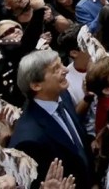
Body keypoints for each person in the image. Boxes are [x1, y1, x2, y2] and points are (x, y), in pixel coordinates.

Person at [9, 50, 95, 188]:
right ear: (36, 85)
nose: (65, 70)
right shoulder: (27, 140)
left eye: (61, 65)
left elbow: (78, 140)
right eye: (56, 69)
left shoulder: (62, 94)